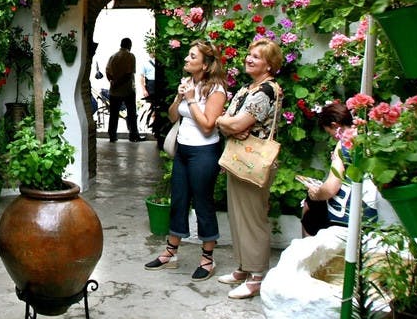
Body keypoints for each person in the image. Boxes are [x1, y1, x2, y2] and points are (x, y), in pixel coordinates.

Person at [145, 41, 227, 281]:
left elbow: (208, 125)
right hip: (183, 151)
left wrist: (191, 100)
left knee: (203, 203)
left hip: (204, 153)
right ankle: (170, 253)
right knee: (178, 200)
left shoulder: (217, 89)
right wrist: (179, 98)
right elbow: (172, 116)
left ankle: (207, 260)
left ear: (205, 63)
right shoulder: (188, 84)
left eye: (192, 57)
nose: (186, 60)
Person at [213, 39, 283, 300]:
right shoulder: (247, 88)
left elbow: (238, 122)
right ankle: (243, 268)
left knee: (253, 218)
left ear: (269, 64)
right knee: (238, 214)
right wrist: (227, 123)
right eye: (249, 55)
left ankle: (257, 277)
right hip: (238, 159)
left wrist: (228, 123)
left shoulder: (266, 91)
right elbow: (226, 121)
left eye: (257, 57)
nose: (249, 59)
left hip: (254, 161)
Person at [300, 101, 378, 236]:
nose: (333, 137)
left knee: (310, 203)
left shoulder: (344, 144)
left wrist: (316, 193)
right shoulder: (370, 136)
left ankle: (308, 248)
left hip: (348, 211)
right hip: (373, 204)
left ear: (334, 126)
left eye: (330, 133)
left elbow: (331, 188)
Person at [106, 37, 143, 142]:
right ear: (129, 45)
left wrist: (113, 82)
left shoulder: (113, 57)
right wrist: (118, 84)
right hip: (127, 90)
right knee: (131, 113)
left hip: (114, 91)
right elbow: (128, 74)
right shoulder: (130, 56)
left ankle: (112, 136)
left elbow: (107, 72)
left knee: (113, 114)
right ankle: (133, 135)